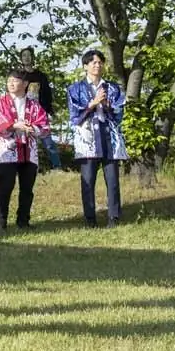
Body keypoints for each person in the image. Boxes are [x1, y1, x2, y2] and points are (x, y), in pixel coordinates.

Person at [67, 49, 126, 227]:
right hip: (87, 138)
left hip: (109, 136)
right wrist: (92, 103)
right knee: (88, 180)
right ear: (85, 66)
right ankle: (90, 219)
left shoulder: (113, 87)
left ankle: (114, 218)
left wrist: (106, 104)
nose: (97, 65)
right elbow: (74, 115)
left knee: (113, 181)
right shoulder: (75, 88)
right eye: (93, 62)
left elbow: (119, 112)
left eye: (100, 62)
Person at [0, 69, 48, 232]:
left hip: (29, 149)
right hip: (8, 149)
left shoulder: (34, 104)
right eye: (9, 81)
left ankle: (24, 220)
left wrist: (33, 128)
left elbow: (44, 125)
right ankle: (0, 222)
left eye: (15, 81)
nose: (11, 84)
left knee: (27, 188)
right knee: (5, 186)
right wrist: (14, 125)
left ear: (25, 83)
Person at [18, 46, 62, 172]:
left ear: (33, 57)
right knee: (25, 142)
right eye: (24, 55)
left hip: (40, 114)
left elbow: (47, 94)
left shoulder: (41, 75)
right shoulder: (18, 76)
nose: (26, 57)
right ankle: (28, 169)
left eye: (28, 55)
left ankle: (57, 167)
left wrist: (50, 110)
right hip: (23, 113)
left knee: (48, 142)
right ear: (21, 59)